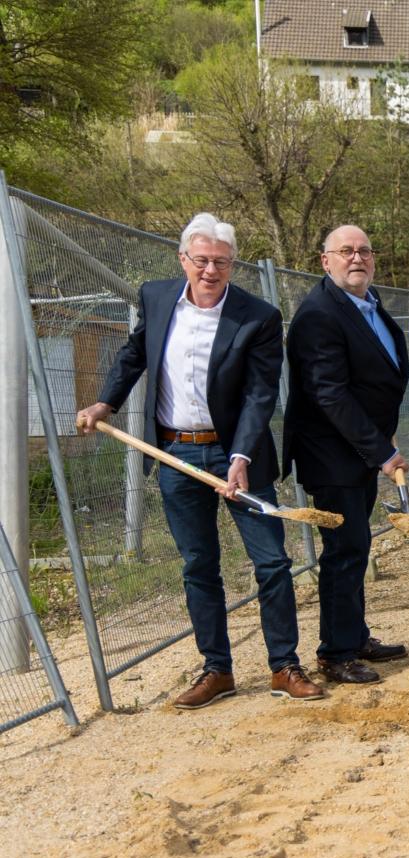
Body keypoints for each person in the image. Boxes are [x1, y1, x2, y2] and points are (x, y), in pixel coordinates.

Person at [76, 213, 325, 708]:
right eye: (202, 260)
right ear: (183, 259)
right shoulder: (157, 296)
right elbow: (133, 354)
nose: (211, 270)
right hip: (175, 452)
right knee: (198, 565)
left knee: (272, 561)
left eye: (222, 262)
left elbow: (259, 395)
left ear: (233, 265)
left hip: (237, 453)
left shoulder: (258, 316)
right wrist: (107, 401)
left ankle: (284, 666)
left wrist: (240, 456)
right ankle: (217, 670)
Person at [282, 224, 409, 685]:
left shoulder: (367, 306)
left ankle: (354, 636)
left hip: (358, 454)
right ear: (326, 261)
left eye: (365, 251)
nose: (357, 258)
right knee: (344, 549)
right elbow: (330, 394)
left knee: (357, 546)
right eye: (346, 251)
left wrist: (377, 448)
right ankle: (335, 653)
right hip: (332, 456)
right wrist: (382, 451)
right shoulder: (319, 314)